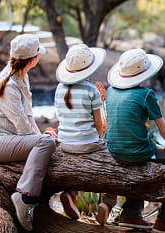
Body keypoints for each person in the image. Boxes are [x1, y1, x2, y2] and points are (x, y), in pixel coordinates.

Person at [0, 34, 56, 231]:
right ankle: (25, 197)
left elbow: (28, 117)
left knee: (48, 142)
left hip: (7, 140)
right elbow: (23, 128)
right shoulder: (9, 85)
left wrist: (44, 135)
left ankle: (41, 204)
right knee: (46, 144)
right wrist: (43, 140)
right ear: (33, 59)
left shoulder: (22, 76)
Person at [105, 48, 165, 233]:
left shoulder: (111, 91)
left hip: (113, 151)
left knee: (140, 157)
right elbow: (163, 129)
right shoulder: (145, 94)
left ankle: (131, 215)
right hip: (137, 152)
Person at [54, 44, 116, 224]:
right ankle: (108, 203)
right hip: (87, 143)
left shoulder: (59, 89)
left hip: (65, 142)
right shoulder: (91, 90)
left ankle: (71, 193)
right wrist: (100, 141)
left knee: (78, 164)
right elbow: (98, 123)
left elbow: (60, 117)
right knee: (113, 165)